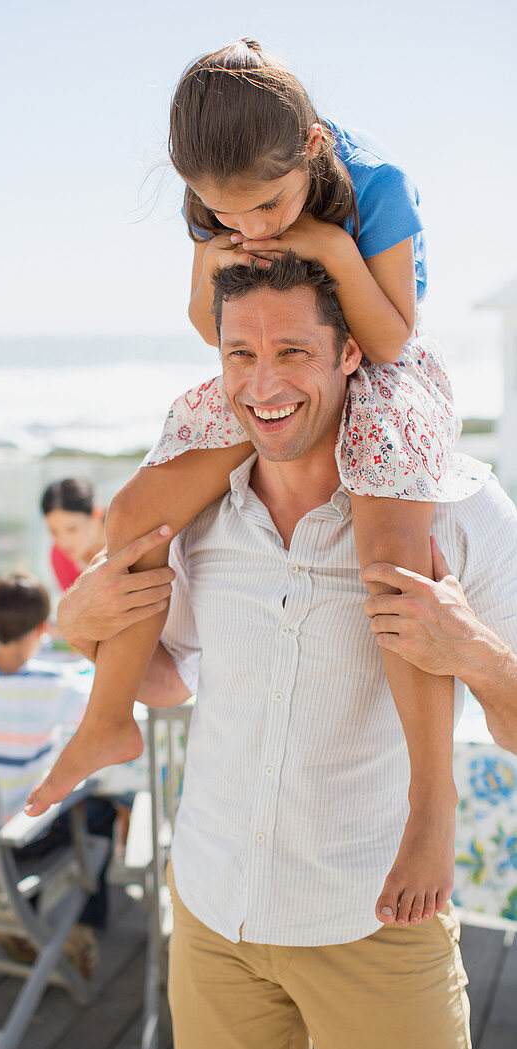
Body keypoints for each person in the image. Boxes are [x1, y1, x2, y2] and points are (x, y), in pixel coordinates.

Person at [54, 258, 517, 1049]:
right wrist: (76, 629)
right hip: (211, 909)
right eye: (241, 356)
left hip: (376, 920)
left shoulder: (457, 511)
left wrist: (474, 652)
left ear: (350, 354)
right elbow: (167, 681)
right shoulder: (195, 513)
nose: (263, 385)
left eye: (295, 351)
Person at [28, 39, 463, 929]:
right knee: (133, 512)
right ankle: (109, 717)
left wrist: (328, 246)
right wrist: (223, 251)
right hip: (271, 360)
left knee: (393, 565)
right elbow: (205, 318)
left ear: (309, 146)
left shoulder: (375, 184)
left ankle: (430, 804)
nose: (255, 229)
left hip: (373, 369)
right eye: (231, 213)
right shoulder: (218, 196)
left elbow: (388, 337)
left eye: (269, 205)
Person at [0, 574, 115, 976]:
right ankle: (79, 926)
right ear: (42, 629)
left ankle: (26, 921)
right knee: (100, 809)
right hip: (16, 838)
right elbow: (101, 719)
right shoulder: (55, 685)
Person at [40, 478, 106, 592]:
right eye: (54, 532)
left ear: (96, 515)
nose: (63, 542)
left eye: (72, 529)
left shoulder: (127, 542)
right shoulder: (60, 556)